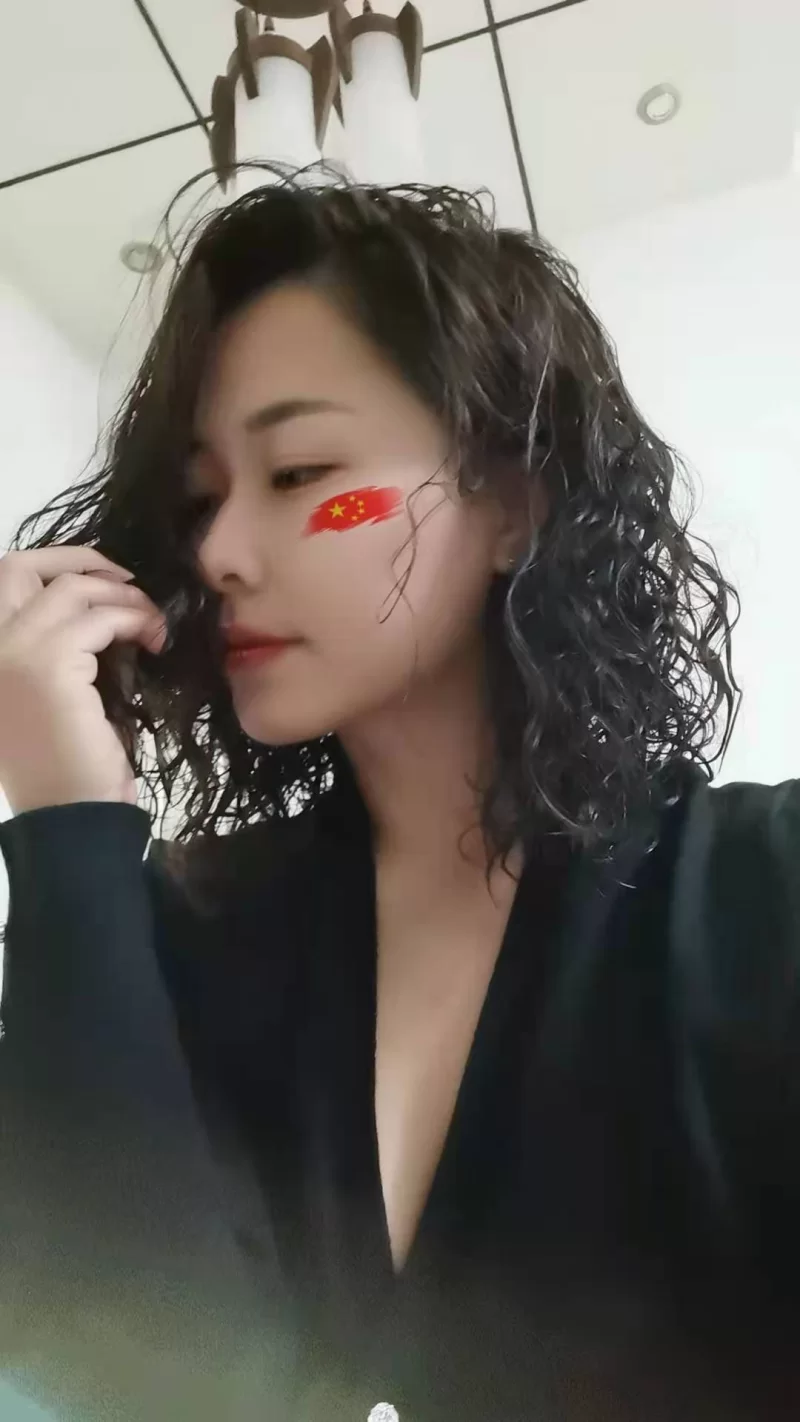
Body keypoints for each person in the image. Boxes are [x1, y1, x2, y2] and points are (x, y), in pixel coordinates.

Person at [0, 178, 797, 1422]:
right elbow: (106, 1367)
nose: (218, 552)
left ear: (513, 506)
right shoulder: (172, 932)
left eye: (301, 471)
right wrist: (63, 831)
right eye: (201, 499)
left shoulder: (764, 896)